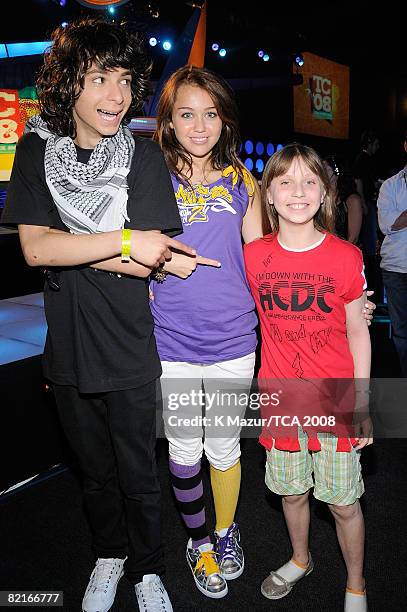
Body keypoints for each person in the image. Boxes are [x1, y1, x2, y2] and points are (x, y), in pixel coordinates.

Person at [1, 17, 196, 612]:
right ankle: (109, 556)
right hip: (68, 347)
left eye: (125, 80)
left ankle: (149, 568)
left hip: (132, 344)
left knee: (140, 473)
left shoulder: (140, 154)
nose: (116, 95)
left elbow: (153, 262)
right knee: (94, 473)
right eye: (99, 79)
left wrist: (91, 245)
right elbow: (34, 249)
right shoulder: (37, 146)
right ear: (69, 85)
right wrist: (126, 239)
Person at [149, 65, 264, 599]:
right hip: (171, 337)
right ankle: (198, 542)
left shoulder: (244, 181)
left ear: (225, 119)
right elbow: (131, 249)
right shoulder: (152, 176)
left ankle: (224, 530)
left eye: (211, 114)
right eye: (187, 114)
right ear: (169, 121)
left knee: (223, 448)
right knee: (183, 447)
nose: (200, 126)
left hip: (234, 339)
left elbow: (261, 262)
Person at [244, 143, 373, 612]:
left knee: (343, 504)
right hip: (279, 400)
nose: (297, 191)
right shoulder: (253, 257)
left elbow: (359, 331)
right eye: (285, 182)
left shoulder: (345, 256)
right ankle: (300, 559)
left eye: (309, 182)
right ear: (270, 196)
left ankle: (355, 584)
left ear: (324, 195)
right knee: (292, 493)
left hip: (335, 402)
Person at [377, 128, 407, 376]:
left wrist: (402, 216)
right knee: (401, 331)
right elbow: (386, 223)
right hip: (396, 268)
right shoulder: (391, 185)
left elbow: (397, 220)